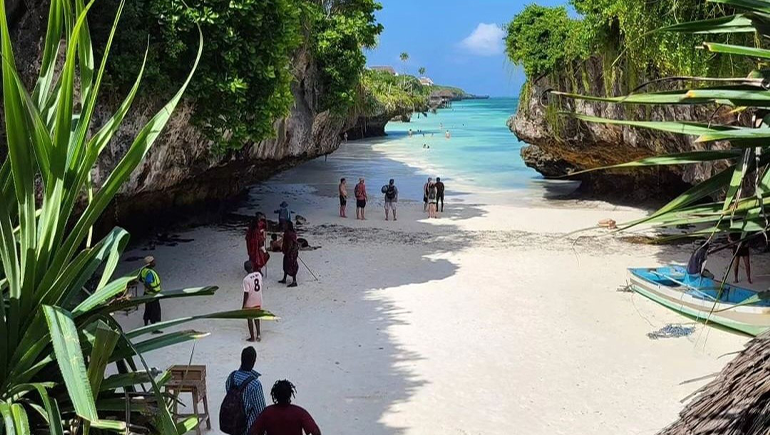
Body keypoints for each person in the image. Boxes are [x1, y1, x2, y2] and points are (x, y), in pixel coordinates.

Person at [249, 380, 321, 435]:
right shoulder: (299, 412)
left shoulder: (267, 413)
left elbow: (252, 432)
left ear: (275, 395)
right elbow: (316, 432)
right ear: (290, 394)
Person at [225, 347, 267, 434]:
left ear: (241, 359)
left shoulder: (231, 377)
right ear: (254, 362)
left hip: (233, 426)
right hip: (248, 430)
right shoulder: (255, 385)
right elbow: (261, 413)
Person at [139, 256, 163, 333]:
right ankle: (154, 329)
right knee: (155, 311)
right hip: (152, 294)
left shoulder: (143, 270)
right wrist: (153, 290)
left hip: (146, 293)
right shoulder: (150, 272)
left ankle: (145, 324)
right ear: (149, 264)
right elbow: (147, 283)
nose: (154, 262)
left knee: (148, 309)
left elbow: (140, 279)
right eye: (153, 261)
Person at [243, 262, 264, 342]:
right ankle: (258, 334)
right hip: (259, 298)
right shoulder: (258, 274)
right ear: (252, 266)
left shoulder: (246, 280)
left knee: (249, 318)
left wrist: (244, 304)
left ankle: (252, 337)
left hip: (250, 301)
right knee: (257, 317)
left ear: (245, 269)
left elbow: (246, 293)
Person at [280, 222, 299, 287]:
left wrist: (288, 251)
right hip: (289, 251)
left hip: (291, 252)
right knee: (286, 264)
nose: (283, 226)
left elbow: (291, 244)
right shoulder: (287, 233)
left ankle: (294, 281)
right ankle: (284, 278)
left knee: (292, 265)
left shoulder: (289, 234)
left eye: (285, 225)